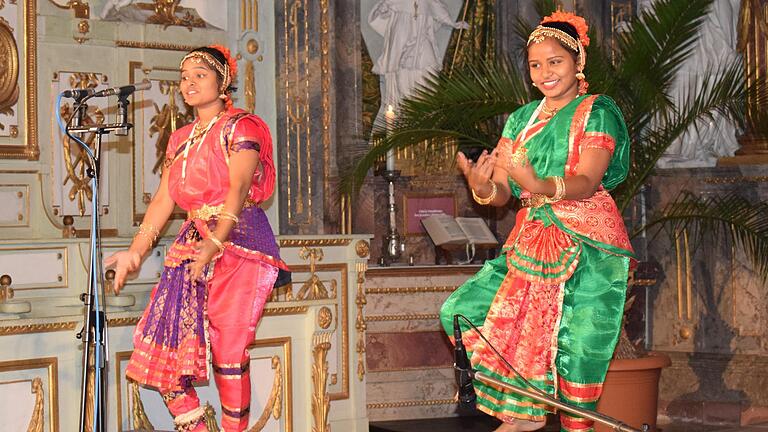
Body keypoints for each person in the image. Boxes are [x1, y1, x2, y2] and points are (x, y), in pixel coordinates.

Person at [440, 11, 634, 432]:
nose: (545, 72)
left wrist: (537, 182)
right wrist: (482, 187)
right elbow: (504, 192)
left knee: (578, 350)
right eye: (535, 64)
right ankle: (522, 414)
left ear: (578, 62)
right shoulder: (520, 120)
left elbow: (586, 181)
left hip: (586, 245)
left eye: (555, 62)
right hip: (529, 244)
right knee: (464, 310)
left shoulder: (596, 111)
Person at [105, 45, 288, 432]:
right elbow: (162, 200)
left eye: (200, 75)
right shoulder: (180, 139)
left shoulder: (244, 127)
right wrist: (136, 253)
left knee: (228, 349)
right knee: (161, 350)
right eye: (184, 77)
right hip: (191, 244)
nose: (188, 83)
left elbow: (237, 189)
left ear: (223, 83)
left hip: (240, 244)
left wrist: (215, 242)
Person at [368, 0, 468, 120]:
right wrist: (382, 9)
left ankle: (427, 116)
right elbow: (380, 13)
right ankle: (404, 118)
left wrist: (453, 23)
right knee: (402, 76)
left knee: (430, 72)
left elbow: (436, 8)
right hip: (401, 37)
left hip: (422, 37)